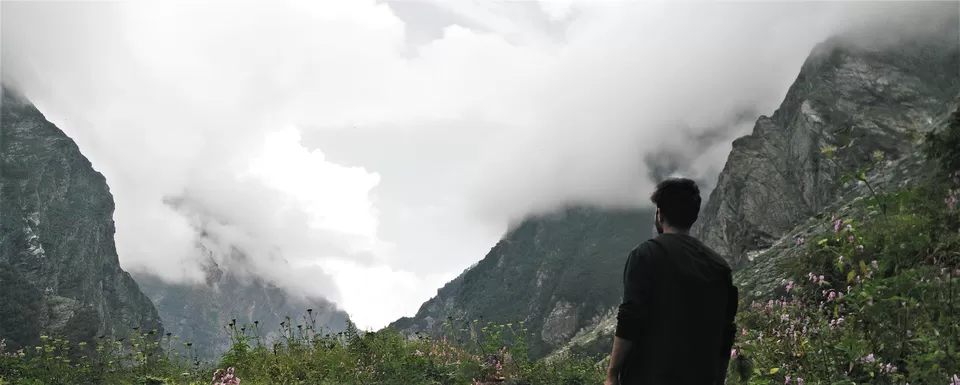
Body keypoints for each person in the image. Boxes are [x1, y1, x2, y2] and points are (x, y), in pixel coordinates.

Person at [605, 177, 739, 385]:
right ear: (693, 216)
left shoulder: (645, 254)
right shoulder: (719, 266)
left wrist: (612, 375)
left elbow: (629, 319)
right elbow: (726, 332)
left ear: (659, 213)